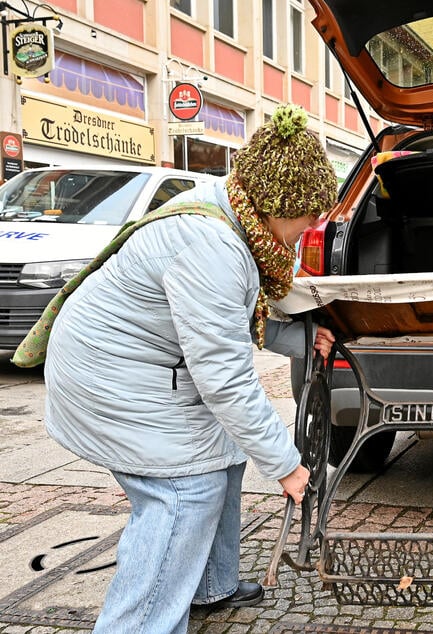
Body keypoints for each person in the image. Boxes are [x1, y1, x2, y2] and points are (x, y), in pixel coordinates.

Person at [37, 104, 337, 633]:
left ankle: (209, 585)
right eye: (309, 212)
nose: (315, 225)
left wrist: (299, 337)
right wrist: (287, 465)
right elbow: (223, 376)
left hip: (138, 365)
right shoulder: (212, 244)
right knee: (183, 494)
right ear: (277, 203)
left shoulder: (235, 215)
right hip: (112, 376)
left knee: (223, 454)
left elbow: (226, 316)